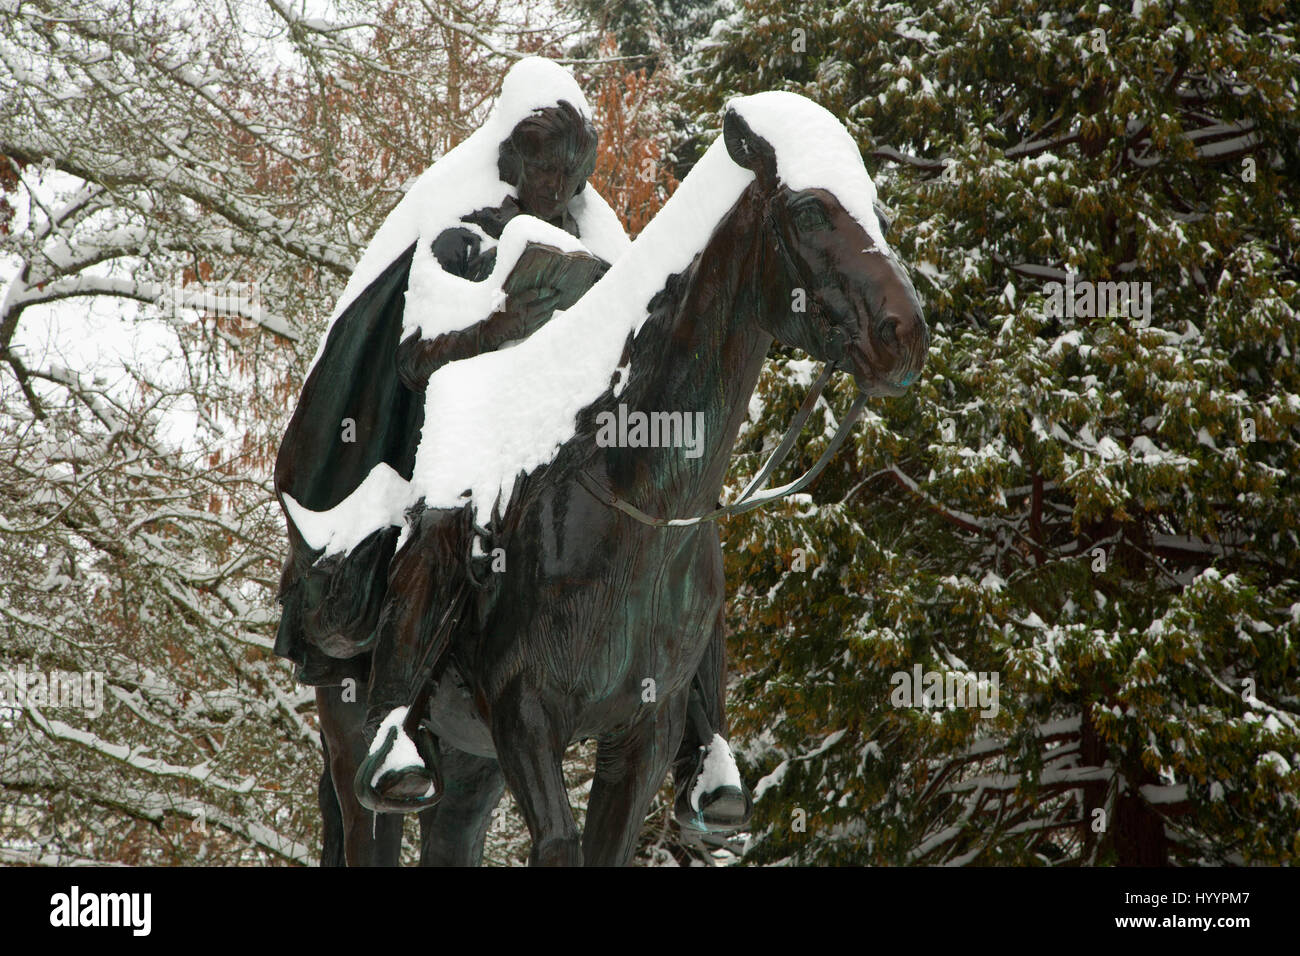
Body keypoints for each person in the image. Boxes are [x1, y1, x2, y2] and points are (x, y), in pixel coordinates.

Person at [274, 58, 750, 847]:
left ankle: (707, 748)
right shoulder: (458, 230)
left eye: (570, 167)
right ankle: (393, 716)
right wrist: (501, 323)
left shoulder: (600, 242)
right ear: (511, 158)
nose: (556, 181)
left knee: (686, 528)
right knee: (441, 519)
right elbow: (418, 351)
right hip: (466, 419)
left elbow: (639, 354)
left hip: (560, 439)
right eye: (543, 163)